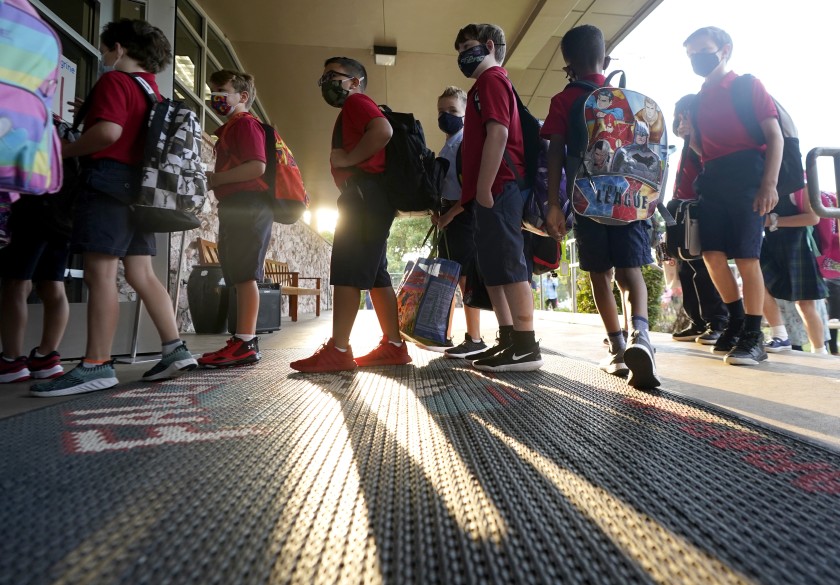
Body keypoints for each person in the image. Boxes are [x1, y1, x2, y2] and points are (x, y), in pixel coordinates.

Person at [31, 19, 197, 397]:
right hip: (142, 190)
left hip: (108, 182)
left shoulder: (114, 81)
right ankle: (174, 349)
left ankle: (95, 364)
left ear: (118, 48)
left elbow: (109, 134)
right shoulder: (151, 91)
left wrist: (63, 149)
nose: (105, 55)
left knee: (99, 273)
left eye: (106, 48)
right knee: (142, 272)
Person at [542, 24, 659, 389]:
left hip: (588, 200)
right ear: (605, 60)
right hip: (628, 197)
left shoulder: (563, 100)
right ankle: (641, 334)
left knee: (600, 275)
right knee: (630, 273)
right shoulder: (629, 99)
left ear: (568, 65)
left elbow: (556, 154)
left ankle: (618, 349)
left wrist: (553, 204)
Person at [291, 57, 411, 372]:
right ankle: (394, 345)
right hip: (373, 198)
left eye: (333, 76)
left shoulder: (357, 102)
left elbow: (382, 131)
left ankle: (339, 350)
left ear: (355, 81)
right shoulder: (356, 107)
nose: (326, 83)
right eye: (323, 78)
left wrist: (348, 159)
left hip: (362, 196)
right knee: (376, 275)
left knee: (347, 268)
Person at [684, 26, 782, 366]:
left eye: (703, 51)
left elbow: (775, 136)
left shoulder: (747, 86)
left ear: (724, 50)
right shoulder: (698, 99)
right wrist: (691, 137)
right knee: (711, 255)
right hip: (714, 178)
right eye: (691, 54)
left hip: (748, 175)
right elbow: (703, 151)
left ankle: (755, 335)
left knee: (746, 256)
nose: (697, 59)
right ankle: (737, 321)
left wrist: (769, 185)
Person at [451, 23, 542, 372]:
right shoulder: (481, 86)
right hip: (491, 190)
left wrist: (486, 186)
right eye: (458, 51)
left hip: (500, 186)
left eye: (468, 47)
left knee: (509, 265)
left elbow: (499, 132)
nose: (462, 55)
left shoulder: (491, 80)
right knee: (495, 268)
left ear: (489, 45)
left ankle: (526, 344)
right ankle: (509, 339)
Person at [197, 69, 270, 368]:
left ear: (242, 96)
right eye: (212, 91)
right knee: (239, 273)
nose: (216, 97)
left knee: (245, 275)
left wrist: (216, 179)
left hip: (249, 205)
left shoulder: (245, 125)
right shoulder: (231, 127)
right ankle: (242, 339)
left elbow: (257, 167)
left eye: (222, 91)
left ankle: (245, 341)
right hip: (238, 205)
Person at [431, 86, 488, 359]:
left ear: (466, 114)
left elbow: (470, 190)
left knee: (465, 278)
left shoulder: (465, 142)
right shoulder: (449, 143)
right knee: (452, 277)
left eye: (452, 111)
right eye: (441, 111)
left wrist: (448, 216)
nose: (445, 116)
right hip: (448, 215)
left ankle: (474, 338)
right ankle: (443, 333)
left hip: (462, 216)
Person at [668, 94, 728, 344]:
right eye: (679, 116)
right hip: (683, 211)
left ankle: (718, 322)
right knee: (686, 267)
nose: (682, 121)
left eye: (686, 115)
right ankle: (698, 321)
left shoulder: (706, 141)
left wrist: (692, 139)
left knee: (703, 269)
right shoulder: (686, 144)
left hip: (700, 211)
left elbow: (711, 166)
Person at [0, 197, 70, 382]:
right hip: (64, 210)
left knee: (16, 282)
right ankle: (46, 359)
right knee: (53, 283)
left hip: (29, 205)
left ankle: (11, 361)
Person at [760, 186, 828, 354]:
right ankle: (780, 335)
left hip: (798, 248)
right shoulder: (757, 184)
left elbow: (813, 218)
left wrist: (773, 220)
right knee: (758, 287)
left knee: (805, 303)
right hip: (770, 247)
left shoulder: (800, 185)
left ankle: (820, 351)